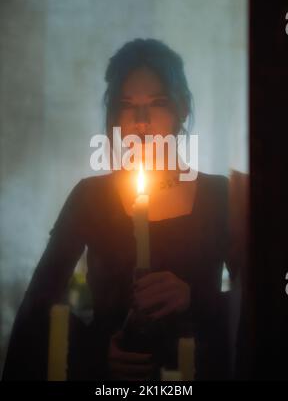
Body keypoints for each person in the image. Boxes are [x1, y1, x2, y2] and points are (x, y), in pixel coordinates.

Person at [2, 38, 236, 381]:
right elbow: (39, 305)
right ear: (114, 115)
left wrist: (195, 297)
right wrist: (95, 354)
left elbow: (260, 302)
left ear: (182, 107)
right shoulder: (91, 196)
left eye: (157, 103)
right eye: (128, 105)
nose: (141, 122)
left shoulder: (220, 195)